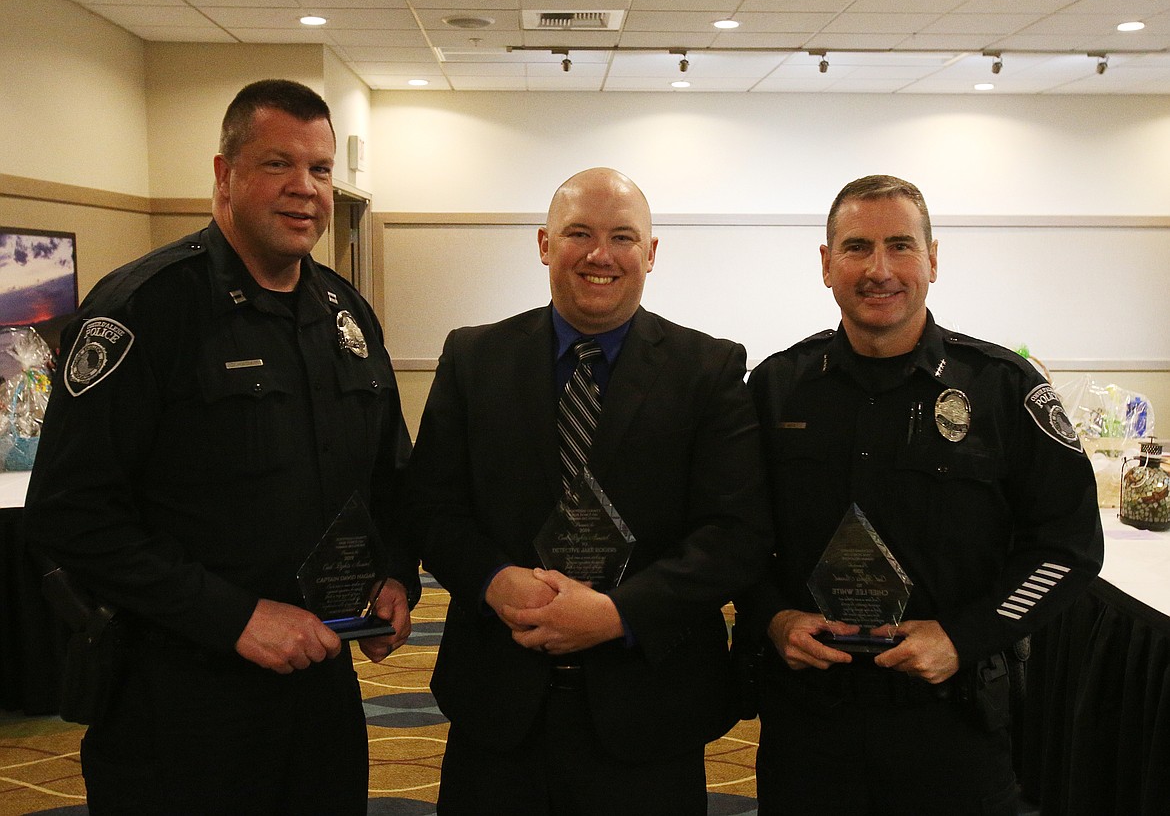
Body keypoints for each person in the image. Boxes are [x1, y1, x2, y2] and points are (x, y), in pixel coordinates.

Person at [24, 79, 418, 814]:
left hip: (321, 687)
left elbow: (389, 474)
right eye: (278, 164)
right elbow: (69, 514)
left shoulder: (346, 314)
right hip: (180, 694)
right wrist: (234, 617)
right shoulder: (143, 309)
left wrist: (395, 575)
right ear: (223, 173)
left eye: (322, 169)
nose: (305, 189)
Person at [406, 167, 773, 814]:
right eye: (579, 232)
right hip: (498, 704)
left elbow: (735, 536)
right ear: (544, 243)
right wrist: (493, 580)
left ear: (651, 253)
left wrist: (617, 613)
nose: (600, 254)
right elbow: (431, 508)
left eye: (622, 236)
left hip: (649, 711)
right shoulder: (473, 359)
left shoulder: (709, 371)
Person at [740, 174, 1105, 815]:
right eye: (856, 247)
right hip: (809, 722)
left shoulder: (1003, 391)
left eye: (901, 246)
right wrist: (773, 616)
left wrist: (965, 637)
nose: (880, 269)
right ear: (826, 265)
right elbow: (734, 533)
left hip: (952, 720)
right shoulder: (775, 389)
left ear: (933, 259)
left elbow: (1067, 549)